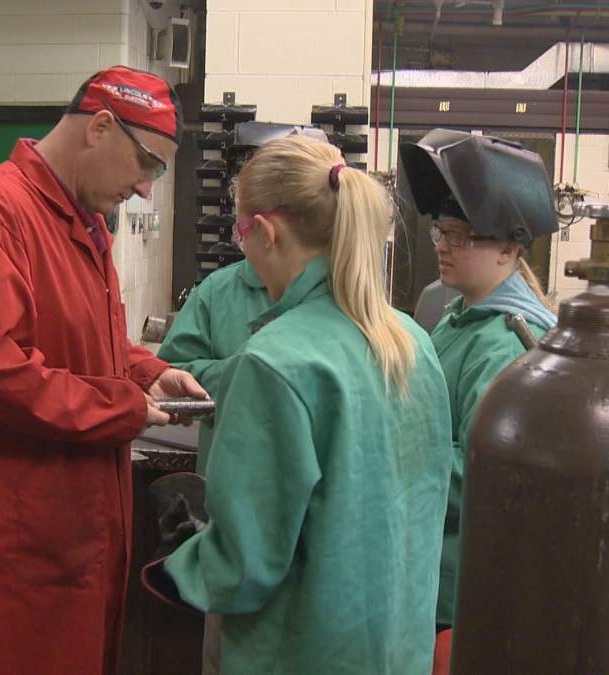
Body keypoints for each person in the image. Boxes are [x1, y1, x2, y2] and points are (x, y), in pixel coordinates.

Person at [0, 66, 208, 674]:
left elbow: (81, 340)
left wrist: (146, 370)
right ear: (101, 126)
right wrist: (118, 407)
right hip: (7, 552)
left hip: (68, 538)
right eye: (148, 164)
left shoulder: (83, 224)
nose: (148, 189)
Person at [143, 135, 454, 674]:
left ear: (264, 231)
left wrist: (182, 563)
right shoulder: (410, 343)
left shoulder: (274, 363)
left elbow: (244, 566)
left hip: (300, 650)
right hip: (396, 647)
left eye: (242, 235)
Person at [398, 129, 560, 642]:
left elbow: (480, 473)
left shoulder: (505, 344)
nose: (443, 246)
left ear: (509, 248)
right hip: (436, 563)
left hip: (459, 581)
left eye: (460, 237)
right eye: (440, 232)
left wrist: (383, 461)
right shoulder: (461, 315)